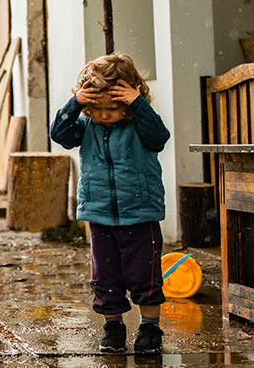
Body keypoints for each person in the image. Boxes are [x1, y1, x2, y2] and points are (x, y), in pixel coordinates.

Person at [49, 53, 171, 354]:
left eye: (113, 108)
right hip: (100, 214)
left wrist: (138, 103)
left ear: (129, 98)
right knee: (106, 277)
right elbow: (59, 134)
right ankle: (113, 326)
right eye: (97, 109)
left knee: (146, 275)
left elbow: (159, 138)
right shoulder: (86, 126)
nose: (105, 115)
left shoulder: (141, 123)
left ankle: (149, 328)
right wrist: (76, 102)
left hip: (140, 214)